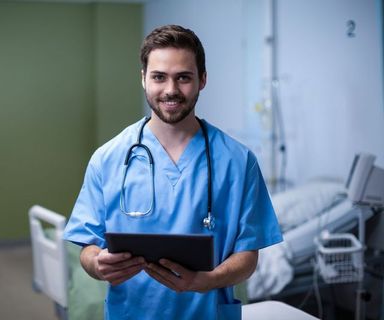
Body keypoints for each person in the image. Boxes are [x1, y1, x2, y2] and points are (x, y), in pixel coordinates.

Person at [63, 24, 282, 319]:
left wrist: (207, 281)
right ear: (143, 79)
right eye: (159, 77)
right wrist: (98, 264)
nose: (171, 90)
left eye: (183, 78)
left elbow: (248, 256)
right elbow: (88, 247)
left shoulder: (239, 161)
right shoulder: (107, 159)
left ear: (202, 80)